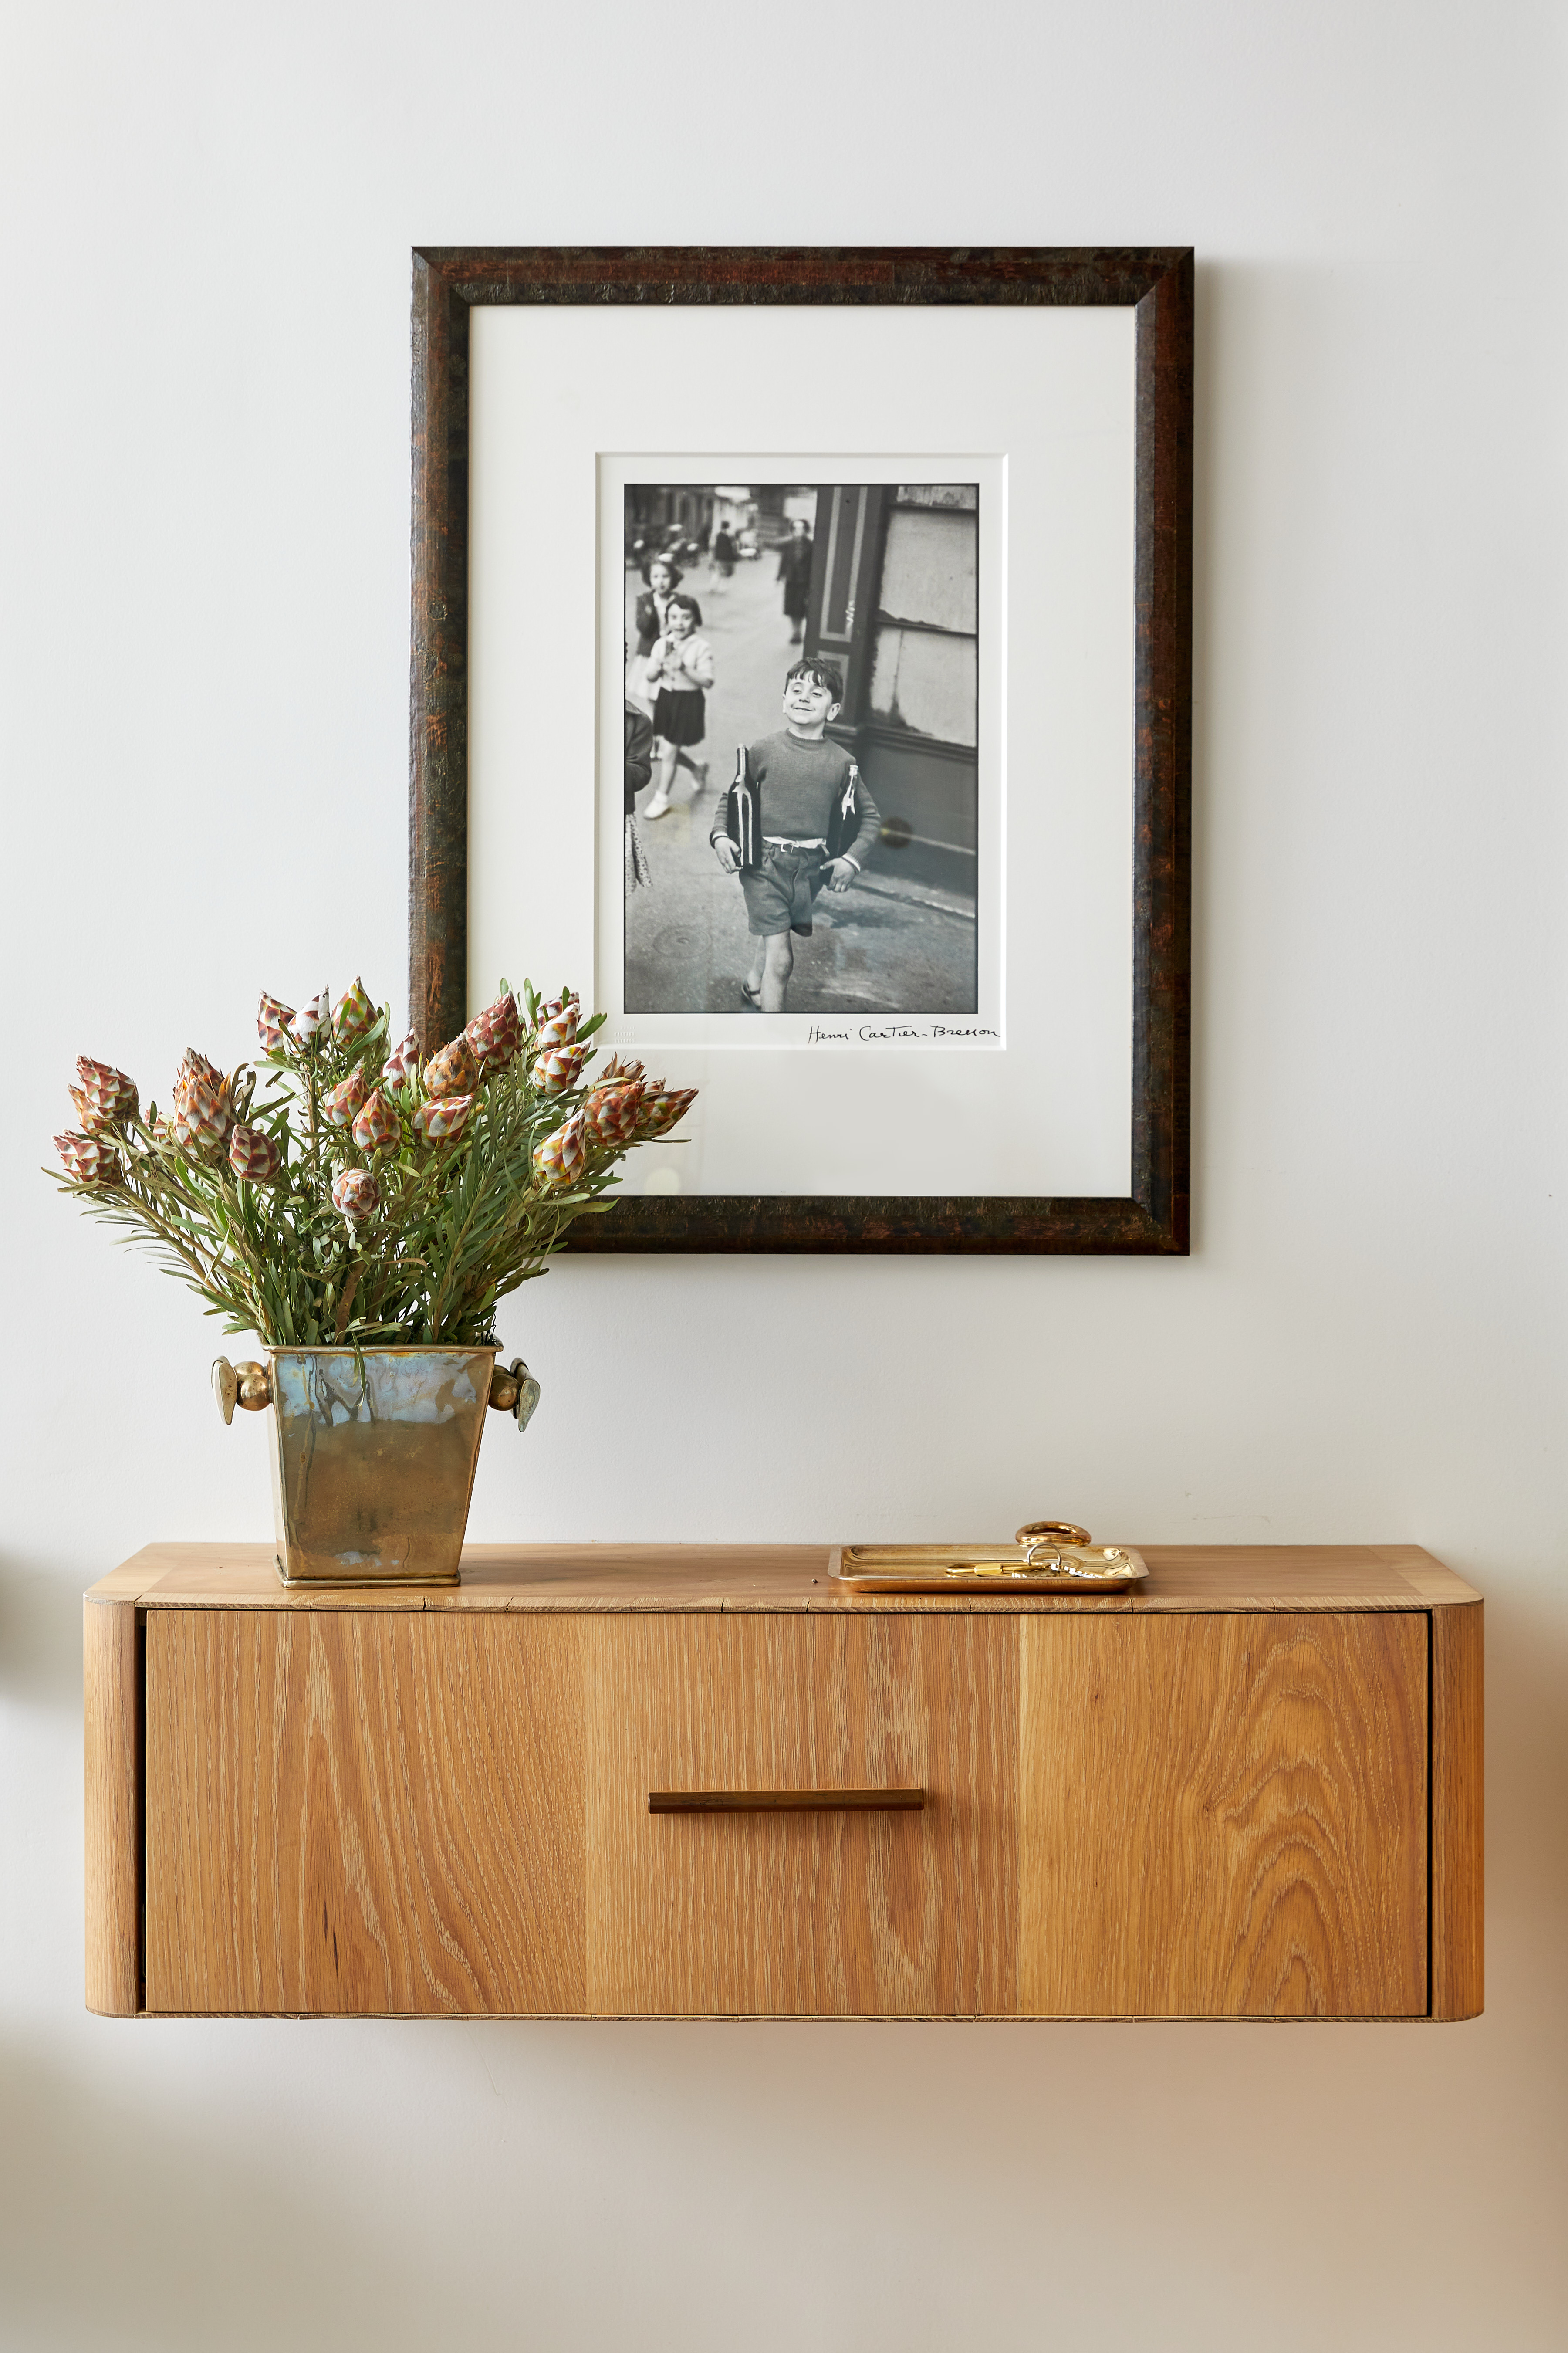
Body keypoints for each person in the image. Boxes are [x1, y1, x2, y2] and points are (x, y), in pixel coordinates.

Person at [710, 657, 879, 1010]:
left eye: (816, 693)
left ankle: (754, 983)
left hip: (809, 870)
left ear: (832, 710)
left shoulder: (843, 762)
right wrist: (721, 835)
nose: (804, 698)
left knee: (778, 930)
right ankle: (774, 1040)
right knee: (783, 960)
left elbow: (871, 817)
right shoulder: (765, 749)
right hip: (763, 865)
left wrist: (852, 859)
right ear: (784, 700)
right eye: (797, 690)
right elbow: (732, 795)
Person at [643, 592, 714, 818]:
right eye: (674, 617)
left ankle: (661, 798)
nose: (679, 623)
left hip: (688, 702)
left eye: (686, 617)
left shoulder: (701, 647)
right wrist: (658, 667)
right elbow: (651, 677)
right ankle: (697, 768)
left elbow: (707, 681)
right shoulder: (662, 644)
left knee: (670, 750)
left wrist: (683, 667)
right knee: (668, 750)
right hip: (666, 698)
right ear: (667, 620)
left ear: (696, 620)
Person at [777, 516, 814, 642]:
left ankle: (798, 632)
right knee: (791, 608)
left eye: (801, 528)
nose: (798, 531)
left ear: (806, 530)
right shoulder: (788, 545)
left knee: (800, 608)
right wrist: (780, 576)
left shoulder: (810, 545)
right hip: (791, 580)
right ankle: (795, 632)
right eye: (795, 528)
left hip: (804, 581)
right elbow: (784, 561)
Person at [710, 523, 736, 589]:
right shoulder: (730, 535)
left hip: (719, 557)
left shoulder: (718, 535)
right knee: (726, 573)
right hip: (728, 558)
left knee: (718, 572)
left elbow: (713, 546)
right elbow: (733, 548)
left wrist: (713, 557)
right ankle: (722, 588)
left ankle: (713, 586)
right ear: (729, 527)